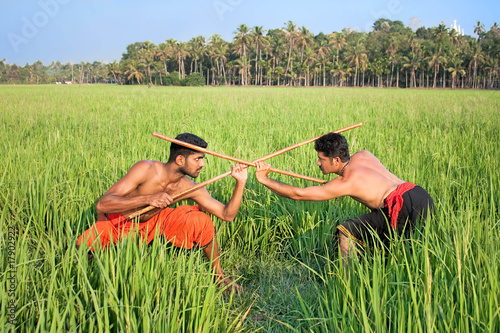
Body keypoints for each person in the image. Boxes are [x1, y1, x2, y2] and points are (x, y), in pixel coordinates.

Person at [76, 133, 248, 292]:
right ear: (180, 159)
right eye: (198, 159)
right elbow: (103, 204)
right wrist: (148, 199)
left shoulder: (190, 188)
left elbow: (227, 215)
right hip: (119, 221)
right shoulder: (146, 169)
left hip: (155, 222)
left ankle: (218, 277)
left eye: (202, 159)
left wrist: (240, 182)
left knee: (201, 221)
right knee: (79, 255)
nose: (202, 164)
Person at [255, 132, 434, 266]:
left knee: (347, 231)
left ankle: (348, 282)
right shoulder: (364, 155)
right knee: (407, 248)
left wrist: (265, 179)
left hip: (401, 207)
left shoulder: (346, 182)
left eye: (321, 159)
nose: (318, 163)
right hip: (420, 195)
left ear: (336, 160)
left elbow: (299, 194)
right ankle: (374, 267)